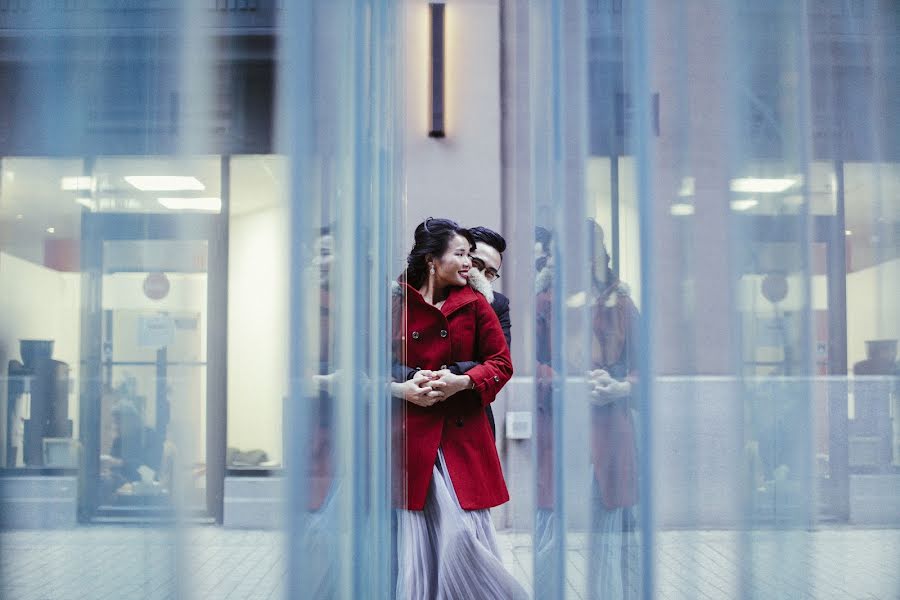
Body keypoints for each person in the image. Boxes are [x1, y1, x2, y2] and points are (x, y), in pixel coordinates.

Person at [391, 218, 526, 599]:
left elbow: (501, 362)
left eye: (482, 265)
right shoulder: (395, 300)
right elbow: (371, 362)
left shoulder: (480, 305)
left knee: (463, 536)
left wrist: (457, 380)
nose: (471, 267)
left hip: (461, 432)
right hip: (411, 439)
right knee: (416, 548)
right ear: (433, 260)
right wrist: (406, 383)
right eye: (463, 255)